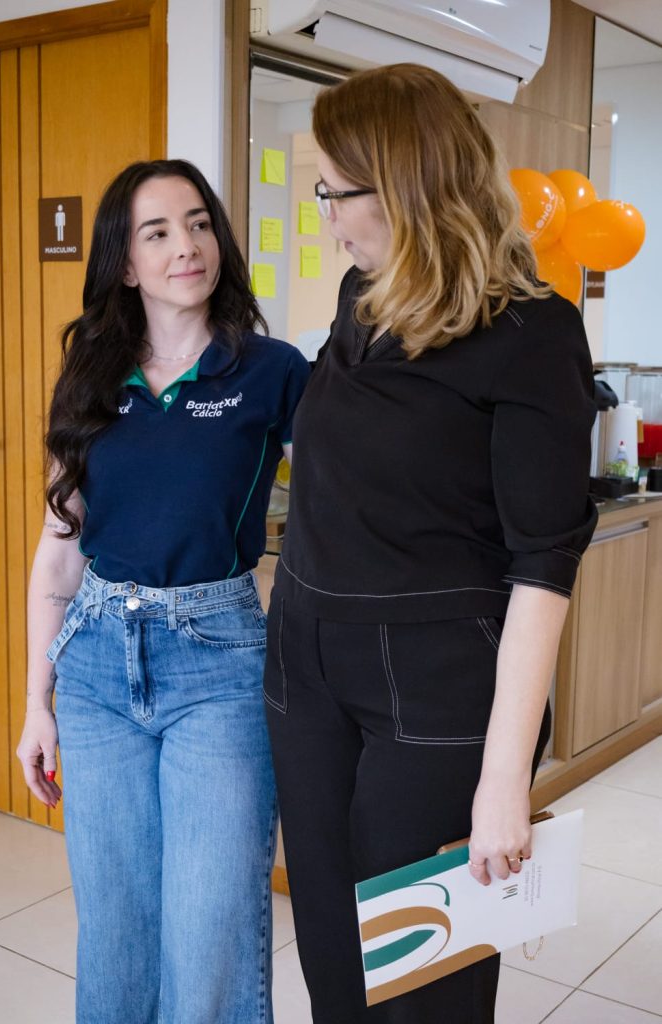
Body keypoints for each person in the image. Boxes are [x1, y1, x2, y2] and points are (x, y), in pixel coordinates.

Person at [263, 64, 597, 1023]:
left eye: (335, 193)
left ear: (405, 186)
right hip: (305, 658)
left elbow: (543, 567)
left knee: (421, 981)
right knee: (332, 952)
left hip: (435, 680)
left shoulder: (531, 331)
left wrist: (502, 782)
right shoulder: (359, 298)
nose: (327, 217)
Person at [16, 158, 309, 1024]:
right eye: (158, 232)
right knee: (115, 929)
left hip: (217, 665)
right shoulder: (91, 375)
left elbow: (345, 502)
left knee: (210, 924)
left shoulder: (271, 371)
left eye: (198, 223)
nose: (187, 246)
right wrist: (37, 702)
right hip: (96, 665)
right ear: (124, 263)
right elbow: (59, 553)